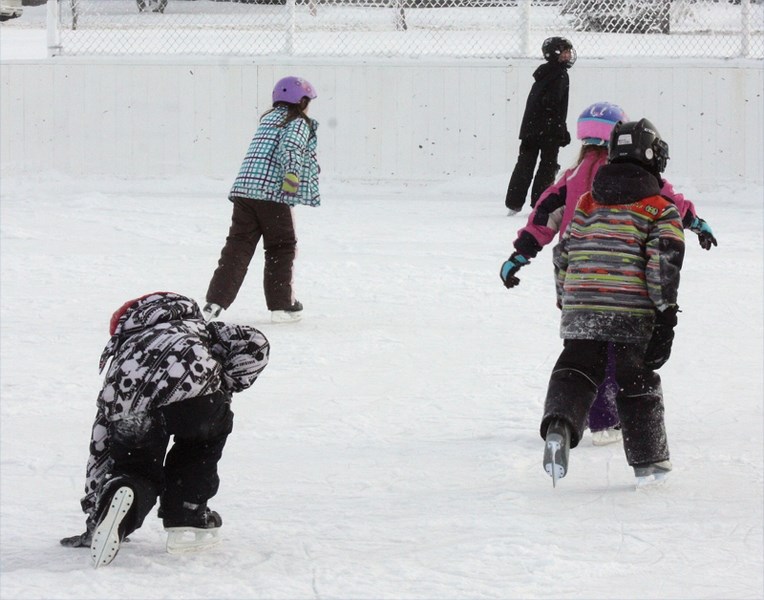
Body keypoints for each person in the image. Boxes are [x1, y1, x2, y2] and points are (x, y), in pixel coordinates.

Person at [500, 101, 718, 445]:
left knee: (585, 349)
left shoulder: (571, 178)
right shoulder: (639, 176)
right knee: (624, 353)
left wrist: (521, 253)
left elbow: (544, 215)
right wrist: (697, 223)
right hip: (628, 278)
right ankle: (609, 421)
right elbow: (669, 203)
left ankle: (583, 415)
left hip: (578, 276)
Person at [60, 292, 270, 567]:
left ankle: (122, 492)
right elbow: (255, 343)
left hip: (131, 406)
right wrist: (226, 382)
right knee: (199, 446)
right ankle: (188, 516)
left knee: (135, 468)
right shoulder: (195, 326)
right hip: (197, 397)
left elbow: (100, 443)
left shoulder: (124, 355)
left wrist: (94, 514)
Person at [539, 118, 684, 487]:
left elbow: (563, 253)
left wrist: (567, 301)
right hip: (631, 310)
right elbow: (663, 261)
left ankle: (560, 424)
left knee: (577, 366)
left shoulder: (588, 201)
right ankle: (650, 463)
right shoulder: (659, 207)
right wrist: (665, 315)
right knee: (635, 377)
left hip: (581, 304)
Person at [203, 75, 321, 324]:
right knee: (281, 246)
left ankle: (214, 303)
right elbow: (290, 148)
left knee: (238, 247)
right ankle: (282, 306)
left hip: (245, 192)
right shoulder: (298, 122)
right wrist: (290, 179)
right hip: (272, 195)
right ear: (300, 102)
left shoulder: (268, 120)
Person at [505, 36, 575, 216]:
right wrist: (561, 129)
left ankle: (514, 203)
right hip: (548, 130)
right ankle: (540, 203)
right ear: (556, 54)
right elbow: (553, 104)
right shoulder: (560, 74)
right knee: (548, 165)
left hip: (530, 128)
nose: (568, 55)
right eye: (565, 52)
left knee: (525, 164)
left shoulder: (543, 72)